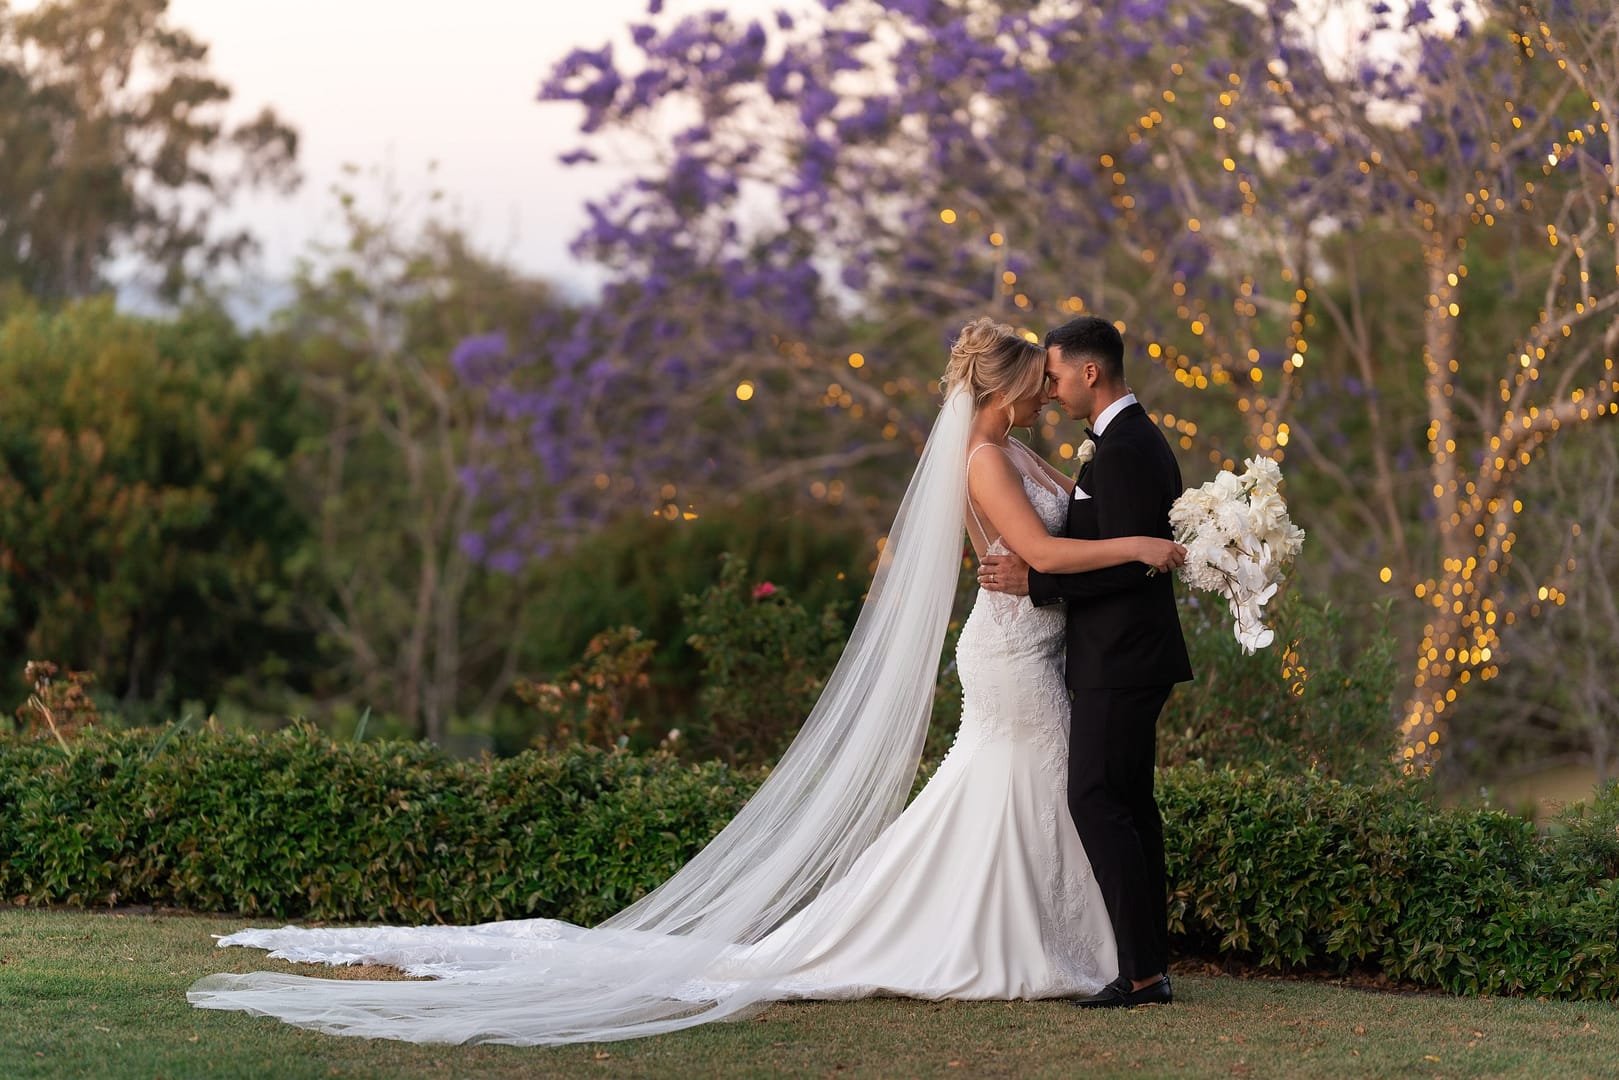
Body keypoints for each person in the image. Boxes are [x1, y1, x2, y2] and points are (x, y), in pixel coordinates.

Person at [187, 316, 1185, 1045]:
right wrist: (1148, 545)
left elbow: (1047, 552)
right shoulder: (985, 461)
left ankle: (1084, 949)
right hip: (1015, 650)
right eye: (1037, 383)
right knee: (1022, 786)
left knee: (1033, 792)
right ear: (1008, 389)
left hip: (1038, 643)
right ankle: (1038, 946)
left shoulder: (1019, 451)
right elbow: (1042, 560)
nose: (1048, 393)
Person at [978, 314, 1193, 1009]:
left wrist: (1039, 583)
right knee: (1126, 803)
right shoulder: (1118, 441)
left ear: (1089, 372)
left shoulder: (1127, 446)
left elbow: (1134, 565)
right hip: (1119, 654)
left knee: (1097, 799)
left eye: (1057, 374)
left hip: (1122, 656)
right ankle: (1145, 966)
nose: (1051, 387)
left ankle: (1138, 973)